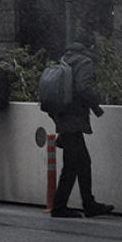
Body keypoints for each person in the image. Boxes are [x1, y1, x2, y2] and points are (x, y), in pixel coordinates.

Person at [48, 42, 114, 218]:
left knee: (73, 165)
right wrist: (96, 106)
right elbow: (82, 87)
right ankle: (80, 205)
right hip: (74, 119)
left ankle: (69, 205)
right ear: (89, 47)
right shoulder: (84, 62)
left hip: (63, 117)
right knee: (82, 163)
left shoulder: (64, 60)